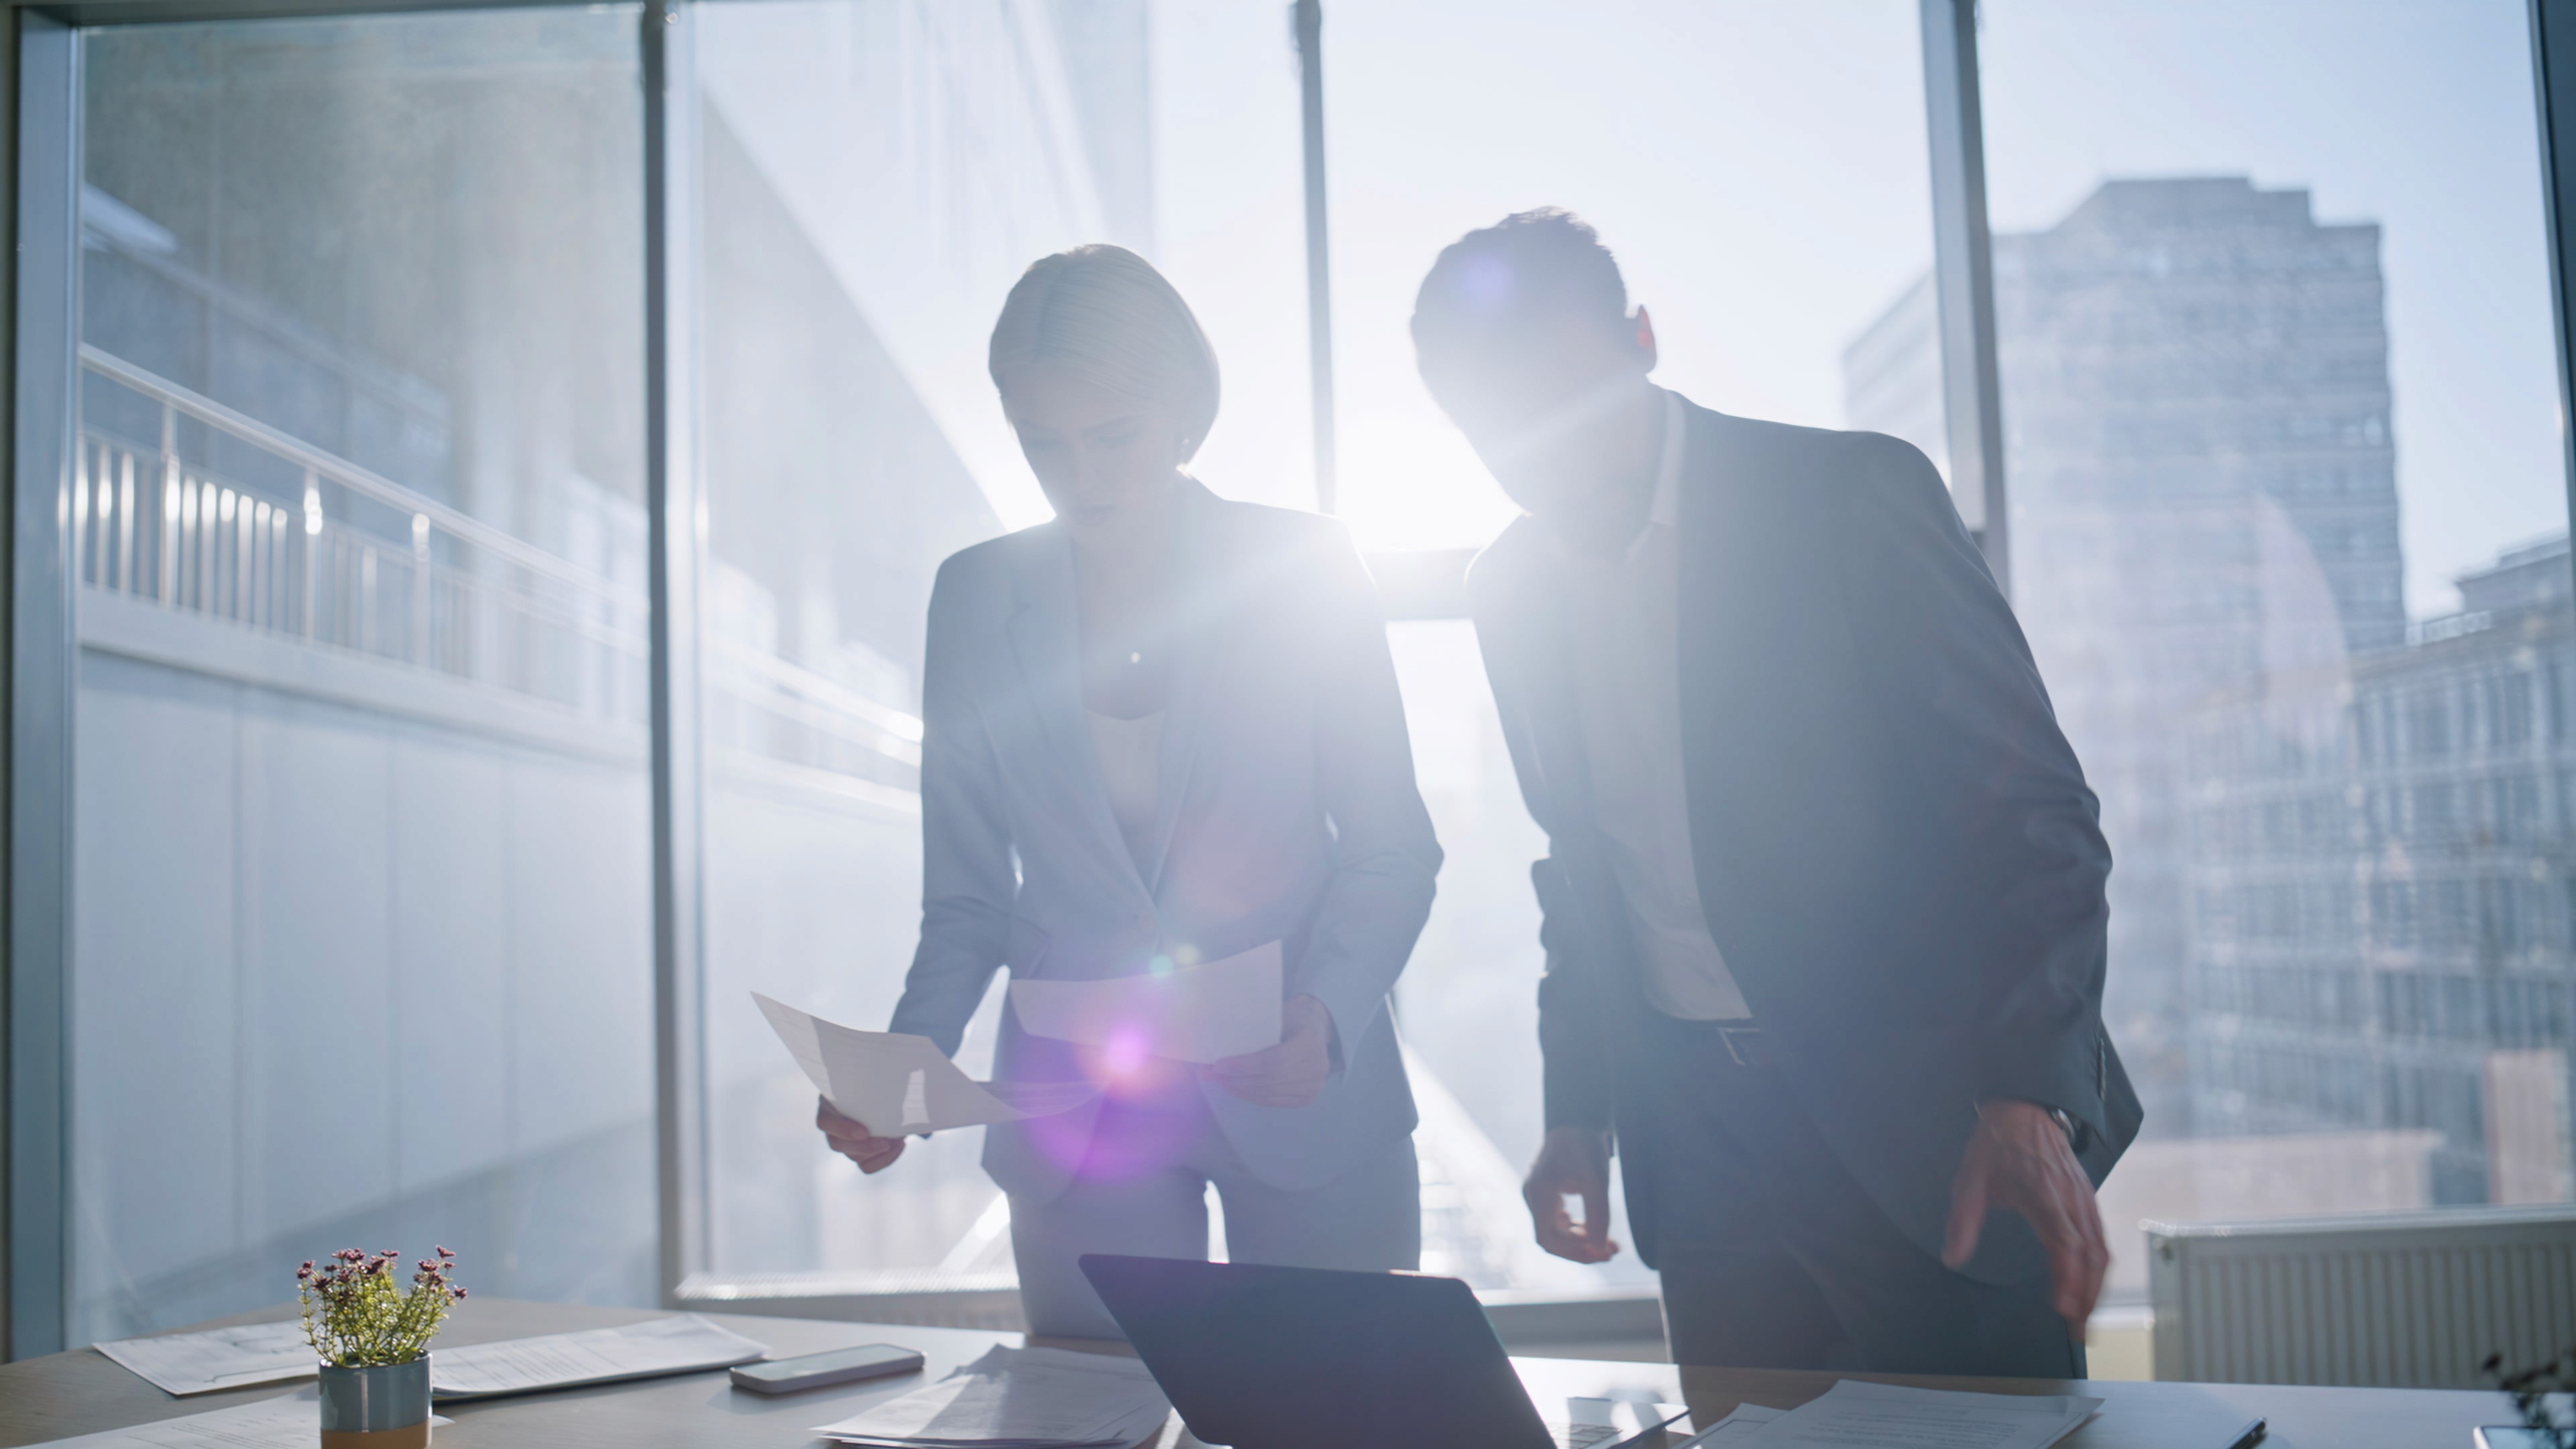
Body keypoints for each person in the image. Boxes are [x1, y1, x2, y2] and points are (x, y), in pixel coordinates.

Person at [1411, 209, 2141, 1377]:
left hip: (1927, 1133)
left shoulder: (1848, 497)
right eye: (1494, 426)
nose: (1537, 448)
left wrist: (2027, 1094)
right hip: (1700, 1160)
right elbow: (1581, 866)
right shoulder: (1510, 588)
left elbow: (2034, 822)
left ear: (1640, 338)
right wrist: (1576, 1111)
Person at [814, 244, 1442, 1340]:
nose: (1083, 478)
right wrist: (905, 1068)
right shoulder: (974, 598)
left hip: (1300, 1091)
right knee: (1086, 1419)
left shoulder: (1305, 565)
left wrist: (1328, 1019)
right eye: (1043, 444)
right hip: (1080, 1120)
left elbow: (1392, 845)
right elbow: (965, 896)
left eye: (1114, 437)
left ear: (1186, 416)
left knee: (1345, 1416)